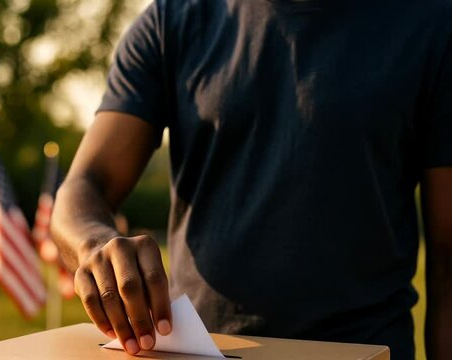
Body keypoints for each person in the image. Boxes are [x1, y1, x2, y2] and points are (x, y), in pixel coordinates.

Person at [50, 1, 452, 359]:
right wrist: (94, 244)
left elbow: (448, 256)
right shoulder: (172, 19)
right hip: (202, 350)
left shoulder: (432, 23)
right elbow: (85, 184)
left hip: (364, 349)